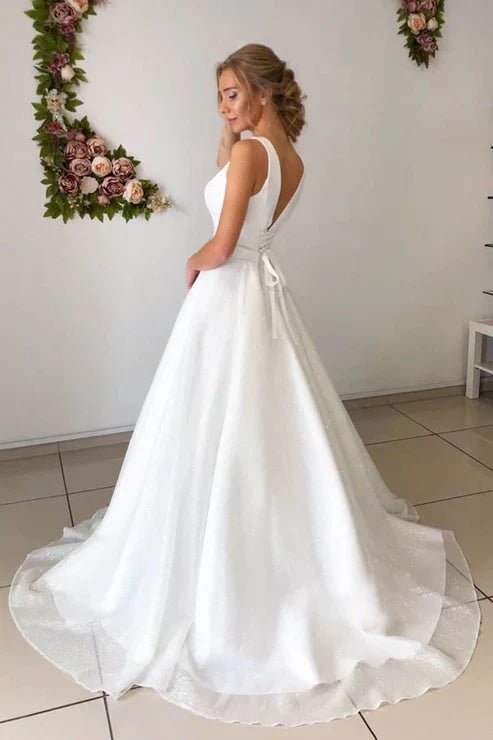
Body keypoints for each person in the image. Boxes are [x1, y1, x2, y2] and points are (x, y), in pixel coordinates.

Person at [9, 44, 481, 727]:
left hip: (228, 296)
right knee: (263, 425)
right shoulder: (289, 158)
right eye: (220, 96)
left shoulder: (250, 154)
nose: (223, 106)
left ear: (262, 92)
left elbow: (224, 243)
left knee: (213, 422)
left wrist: (192, 258)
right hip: (260, 298)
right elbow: (250, 227)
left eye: (232, 93)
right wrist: (230, 149)